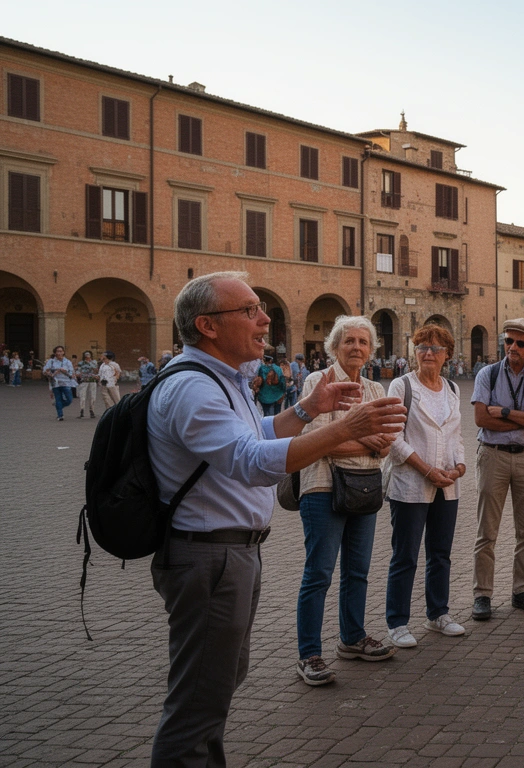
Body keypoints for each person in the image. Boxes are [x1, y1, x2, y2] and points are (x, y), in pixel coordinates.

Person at [147, 271, 405, 763]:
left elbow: (260, 432)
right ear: (207, 325)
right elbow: (251, 461)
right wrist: (343, 429)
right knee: (197, 702)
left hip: (229, 554)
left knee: (216, 687)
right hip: (207, 556)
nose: (265, 318)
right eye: (248, 310)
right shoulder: (193, 388)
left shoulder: (222, 380)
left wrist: (308, 409)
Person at [295, 316, 400, 685]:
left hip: (364, 486)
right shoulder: (317, 382)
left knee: (357, 571)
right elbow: (314, 441)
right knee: (319, 574)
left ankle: (352, 638)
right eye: (349, 341)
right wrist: (366, 441)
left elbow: (387, 444)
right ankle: (309, 653)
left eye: (363, 341)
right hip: (322, 487)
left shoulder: (375, 389)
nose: (356, 347)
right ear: (335, 347)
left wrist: (371, 443)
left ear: (372, 349)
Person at [383, 324, 469, 649]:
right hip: (411, 483)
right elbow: (393, 438)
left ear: (447, 354)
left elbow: (457, 435)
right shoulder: (401, 385)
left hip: (447, 484)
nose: (428, 353)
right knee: (405, 555)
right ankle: (397, 622)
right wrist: (427, 469)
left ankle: (438, 613)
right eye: (422, 347)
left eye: (435, 348)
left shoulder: (452, 389)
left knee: (440, 553)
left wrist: (459, 467)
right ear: (414, 351)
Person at [470, 318, 524, 620]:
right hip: (493, 455)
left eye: (520, 343)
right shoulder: (488, 374)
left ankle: (522, 590)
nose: (512, 348)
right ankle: (482, 594)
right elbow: (482, 418)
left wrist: (505, 412)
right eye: (508, 341)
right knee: (486, 532)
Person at [42, 346, 76, 420]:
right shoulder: (51, 361)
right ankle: (60, 415)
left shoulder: (67, 362)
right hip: (55, 382)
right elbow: (45, 371)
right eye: (58, 351)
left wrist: (65, 371)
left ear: (63, 352)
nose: (59, 353)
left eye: (61, 351)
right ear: (55, 352)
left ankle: (59, 406)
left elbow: (72, 372)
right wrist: (50, 373)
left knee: (69, 399)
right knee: (58, 398)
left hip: (66, 382)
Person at [76, 350, 100, 418]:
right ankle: (82, 410)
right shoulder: (81, 363)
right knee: (82, 396)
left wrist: (89, 363)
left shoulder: (94, 362)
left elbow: (96, 370)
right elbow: (78, 370)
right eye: (86, 355)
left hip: (92, 380)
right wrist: (78, 374)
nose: (87, 356)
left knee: (92, 396)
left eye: (88, 355)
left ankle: (92, 410)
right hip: (84, 380)